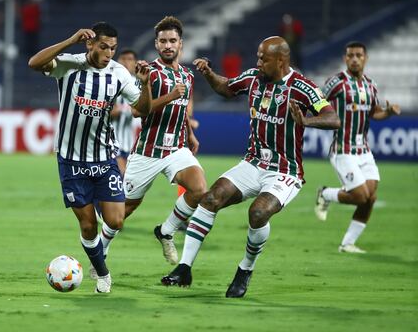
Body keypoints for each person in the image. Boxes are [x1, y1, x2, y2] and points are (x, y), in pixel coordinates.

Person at [161, 36, 340, 298]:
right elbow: (227, 88)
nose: (257, 62)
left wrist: (306, 121)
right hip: (253, 163)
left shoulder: (302, 87)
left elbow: (332, 117)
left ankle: (245, 269)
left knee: (258, 213)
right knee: (210, 198)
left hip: (284, 170)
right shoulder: (254, 78)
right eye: (257, 56)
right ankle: (184, 268)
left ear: (280, 61)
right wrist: (209, 74)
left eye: (263, 58)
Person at [28, 22, 152, 293]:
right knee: (87, 225)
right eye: (104, 47)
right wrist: (70, 39)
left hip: (104, 158)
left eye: (113, 48)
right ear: (90, 44)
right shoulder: (69, 65)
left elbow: (141, 110)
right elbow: (34, 63)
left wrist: (146, 85)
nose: (109, 53)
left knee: (116, 220)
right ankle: (103, 273)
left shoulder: (119, 73)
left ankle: (98, 258)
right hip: (70, 161)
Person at [100, 16, 206, 267]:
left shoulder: (188, 76)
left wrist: (190, 134)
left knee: (199, 189)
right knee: (121, 213)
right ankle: (99, 254)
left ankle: (166, 231)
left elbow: (182, 111)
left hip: (176, 149)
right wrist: (170, 95)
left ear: (181, 43)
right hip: (148, 151)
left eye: (172, 41)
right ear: (156, 44)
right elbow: (138, 111)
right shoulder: (148, 72)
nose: (168, 45)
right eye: (162, 41)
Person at [314, 41, 401, 253]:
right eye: (350, 55)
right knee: (360, 196)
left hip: (364, 151)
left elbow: (374, 112)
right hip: (343, 150)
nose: (354, 59)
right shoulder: (336, 82)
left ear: (365, 58)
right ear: (345, 59)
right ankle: (325, 194)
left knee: (370, 198)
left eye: (358, 55)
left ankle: (347, 244)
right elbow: (317, 99)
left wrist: (388, 112)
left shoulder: (370, 86)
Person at [111, 48, 138, 174]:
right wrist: (110, 112)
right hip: (111, 141)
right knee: (122, 178)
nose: (126, 62)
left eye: (130, 59)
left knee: (127, 184)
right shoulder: (110, 81)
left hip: (129, 143)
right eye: (123, 59)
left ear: (135, 63)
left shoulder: (138, 84)